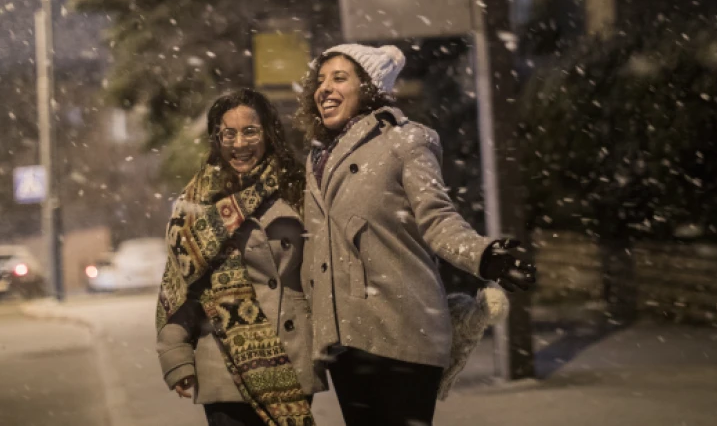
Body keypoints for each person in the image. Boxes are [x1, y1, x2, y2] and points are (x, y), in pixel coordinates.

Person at [294, 43, 536, 426]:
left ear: (369, 87)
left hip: (400, 328)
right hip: (345, 338)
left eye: (339, 77)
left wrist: (485, 255)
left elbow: (437, 218)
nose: (324, 87)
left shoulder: (405, 140)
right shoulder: (318, 158)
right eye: (319, 80)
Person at [156, 89, 325, 426]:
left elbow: (322, 269)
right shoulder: (197, 201)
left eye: (250, 130)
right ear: (216, 139)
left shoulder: (297, 187)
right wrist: (176, 357)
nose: (239, 143)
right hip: (222, 356)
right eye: (227, 133)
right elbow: (180, 287)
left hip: (289, 351)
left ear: (269, 133)